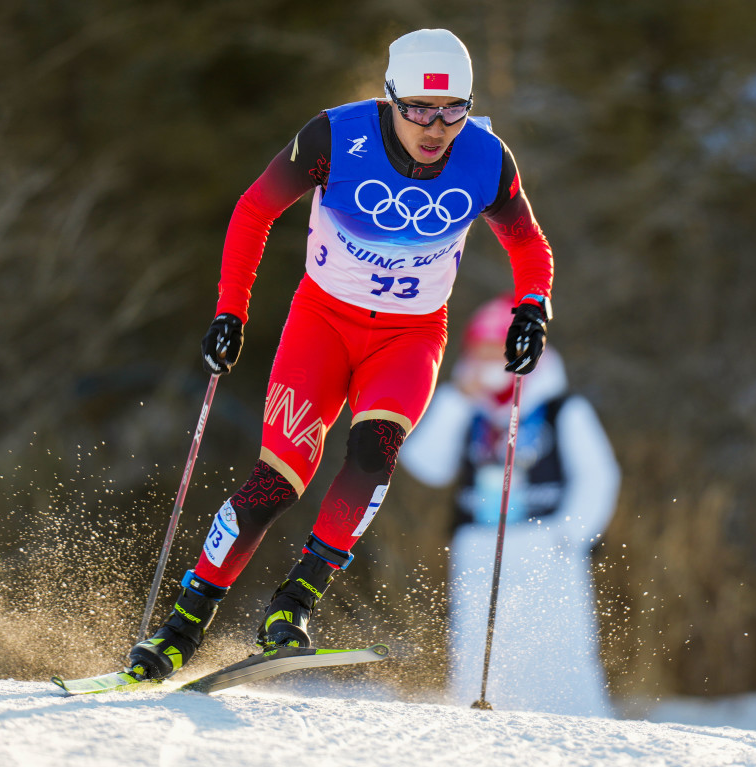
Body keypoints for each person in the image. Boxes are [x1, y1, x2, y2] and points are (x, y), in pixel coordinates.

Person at [125, 28, 555, 683]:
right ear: (389, 100)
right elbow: (252, 210)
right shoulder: (334, 137)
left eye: (451, 110)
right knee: (279, 479)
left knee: (372, 453)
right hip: (321, 326)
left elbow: (530, 247)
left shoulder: (488, 159)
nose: (435, 126)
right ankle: (183, 623)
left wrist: (532, 307)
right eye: (417, 108)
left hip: (409, 338)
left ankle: (292, 607)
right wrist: (231, 311)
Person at [400, 295, 621, 716]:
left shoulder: (563, 409)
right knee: (477, 648)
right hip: (477, 547)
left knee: (560, 647)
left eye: (492, 350)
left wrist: (570, 536)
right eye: (476, 352)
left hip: (546, 546)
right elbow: (425, 465)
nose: (483, 362)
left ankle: (578, 727)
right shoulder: (467, 411)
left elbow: (598, 475)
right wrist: (454, 401)